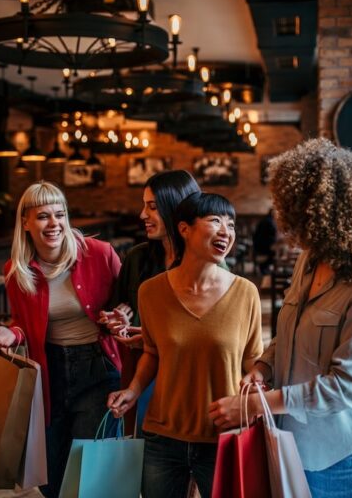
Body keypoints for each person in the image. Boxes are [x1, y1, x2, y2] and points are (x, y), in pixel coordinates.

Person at [209, 138, 352, 498]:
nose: (288, 222)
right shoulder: (309, 260)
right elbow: (291, 333)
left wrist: (255, 404)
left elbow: (343, 388)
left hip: (342, 456)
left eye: (298, 211)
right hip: (291, 441)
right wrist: (264, 367)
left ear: (330, 215)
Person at [107, 192, 263, 498]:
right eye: (215, 221)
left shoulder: (246, 293)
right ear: (184, 229)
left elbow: (252, 360)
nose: (226, 231)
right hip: (163, 435)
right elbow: (152, 352)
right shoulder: (151, 292)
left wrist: (256, 389)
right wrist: (133, 391)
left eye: (231, 224)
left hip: (224, 436)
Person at [0, 181, 123, 498]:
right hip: (49, 374)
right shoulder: (17, 270)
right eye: (43, 216)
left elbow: (130, 301)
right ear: (26, 222)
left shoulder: (100, 255)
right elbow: (23, 320)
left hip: (97, 370)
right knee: (51, 477)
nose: (54, 223)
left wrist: (120, 317)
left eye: (60, 214)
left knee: (87, 471)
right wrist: (12, 331)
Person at [99, 170, 201, 435]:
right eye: (144, 206)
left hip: (188, 382)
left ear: (177, 209)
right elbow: (112, 312)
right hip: (140, 381)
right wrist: (116, 319)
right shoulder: (136, 259)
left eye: (152, 207)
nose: (142, 215)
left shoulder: (205, 265)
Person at [252, 208, 277, 274]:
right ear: (272, 213)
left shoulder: (264, 220)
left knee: (265, 261)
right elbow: (272, 234)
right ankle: (266, 272)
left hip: (259, 245)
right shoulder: (269, 222)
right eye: (275, 213)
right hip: (264, 245)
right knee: (270, 257)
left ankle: (264, 271)